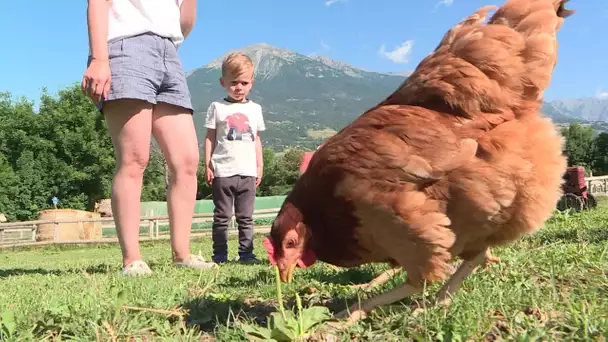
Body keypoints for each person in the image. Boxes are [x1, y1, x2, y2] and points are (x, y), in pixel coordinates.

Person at [81, 0, 216, 276]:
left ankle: (182, 254)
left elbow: (185, 22)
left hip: (169, 52)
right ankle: (132, 259)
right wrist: (99, 59)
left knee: (187, 161)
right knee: (134, 158)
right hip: (125, 45)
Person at [204, 52, 265, 264]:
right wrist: (208, 164)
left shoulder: (255, 109)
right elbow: (210, 138)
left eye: (244, 82)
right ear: (223, 82)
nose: (239, 87)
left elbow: (256, 139)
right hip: (223, 171)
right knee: (221, 217)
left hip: (247, 172)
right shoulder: (217, 108)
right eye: (233, 82)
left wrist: (259, 164)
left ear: (251, 83)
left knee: (246, 218)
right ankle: (219, 256)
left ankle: (246, 254)